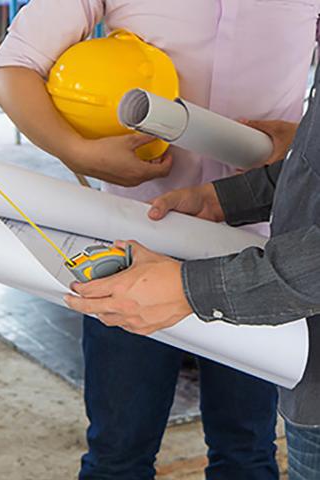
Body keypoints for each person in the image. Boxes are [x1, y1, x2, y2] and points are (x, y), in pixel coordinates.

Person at [0, 1, 319, 478]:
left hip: (259, 261)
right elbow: (13, 68)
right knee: (119, 449)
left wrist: (303, 136)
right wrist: (77, 151)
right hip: (133, 246)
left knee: (247, 448)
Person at [64, 67, 320, 478]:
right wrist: (223, 199)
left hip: (271, 301)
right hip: (296, 348)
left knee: (246, 447)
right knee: (118, 450)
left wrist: (191, 289)